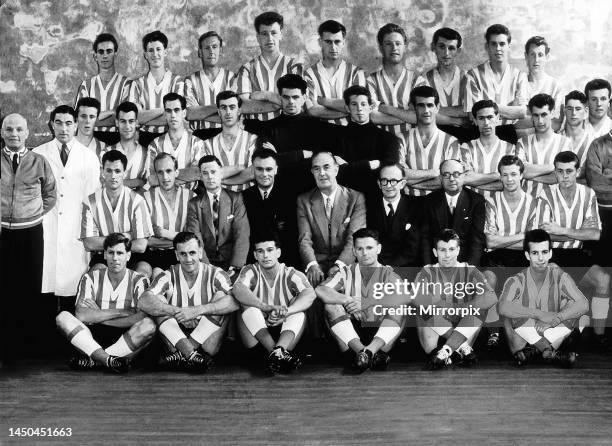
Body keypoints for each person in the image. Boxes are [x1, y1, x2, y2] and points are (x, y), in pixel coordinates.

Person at [138, 231, 239, 372]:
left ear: (200, 252)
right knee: (157, 300)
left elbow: (235, 301)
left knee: (222, 297)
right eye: (183, 254)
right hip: (176, 335)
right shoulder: (168, 275)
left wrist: (197, 310)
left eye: (192, 253)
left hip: (207, 339)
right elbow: (143, 301)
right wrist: (175, 311)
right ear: (176, 255)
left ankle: (184, 354)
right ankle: (191, 355)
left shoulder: (216, 273)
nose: (188, 259)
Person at [55, 233, 156, 373]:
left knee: (149, 325)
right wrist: (121, 311)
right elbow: (81, 315)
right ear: (104, 255)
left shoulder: (139, 280)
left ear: (128, 256)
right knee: (63, 317)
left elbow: (140, 317)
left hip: (125, 336)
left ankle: (98, 360)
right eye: (111, 253)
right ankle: (109, 360)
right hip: (93, 336)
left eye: (120, 253)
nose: (115, 258)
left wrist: (98, 315)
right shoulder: (90, 278)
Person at [34, 105, 101, 312]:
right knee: (44, 287)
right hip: (46, 228)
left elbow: (93, 201)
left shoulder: (88, 157)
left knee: (73, 292)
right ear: (51, 125)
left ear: (76, 125)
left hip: (76, 232)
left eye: (69, 123)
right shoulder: (38, 154)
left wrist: (89, 234)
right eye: (59, 123)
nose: (64, 128)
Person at [541, 151, 610, 348]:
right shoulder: (546, 194)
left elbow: (595, 234)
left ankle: (598, 335)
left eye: (569, 171)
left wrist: (562, 230)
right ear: (555, 172)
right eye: (560, 171)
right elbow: (546, 236)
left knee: (603, 279)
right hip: (553, 255)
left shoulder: (588, 194)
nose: (565, 176)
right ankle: (564, 332)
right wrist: (580, 231)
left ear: (577, 171)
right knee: (562, 282)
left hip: (577, 253)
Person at [1, 113, 56, 360]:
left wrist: (31, 214)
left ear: (27, 133)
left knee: (29, 285)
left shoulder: (38, 161)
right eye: (9, 129)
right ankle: (6, 345)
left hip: (32, 233)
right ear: (2, 133)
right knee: (5, 287)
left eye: (19, 129)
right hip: (2, 233)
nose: (14, 134)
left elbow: (51, 195)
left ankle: (28, 348)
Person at [316, 228, 405, 372]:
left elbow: (404, 297)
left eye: (369, 247)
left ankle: (368, 352)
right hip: (352, 332)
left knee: (400, 308)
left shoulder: (388, 273)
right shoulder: (345, 272)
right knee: (330, 306)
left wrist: (366, 304)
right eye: (360, 248)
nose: (365, 253)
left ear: (378, 248)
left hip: (379, 333)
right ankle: (363, 353)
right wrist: (348, 300)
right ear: (354, 251)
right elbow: (320, 290)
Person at [498, 229, 589, 367]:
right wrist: (541, 315)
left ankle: (538, 352)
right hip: (524, 337)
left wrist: (555, 318)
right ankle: (550, 352)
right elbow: (502, 307)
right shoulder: (515, 280)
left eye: (544, 252)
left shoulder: (560, 277)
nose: (541, 258)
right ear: (527, 255)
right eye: (535, 253)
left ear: (550, 253)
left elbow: (583, 304)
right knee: (510, 308)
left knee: (575, 307)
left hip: (549, 331)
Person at [233, 231, 315, 373]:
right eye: (260, 251)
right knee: (244, 301)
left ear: (278, 252)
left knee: (298, 302)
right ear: (255, 255)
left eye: (270, 250)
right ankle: (276, 352)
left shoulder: (291, 273)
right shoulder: (250, 271)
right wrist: (265, 307)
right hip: (256, 338)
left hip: (286, 336)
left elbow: (310, 294)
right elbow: (238, 288)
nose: (265, 255)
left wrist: (287, 311)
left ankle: (278, 351)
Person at [414, 229, 497, 369]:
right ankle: (458, 347)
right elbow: (417, 300)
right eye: (442, 250)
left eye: (451, 249)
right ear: (435, 252)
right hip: (437, 324)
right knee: (422, 307)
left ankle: (445, 351)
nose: (447, 255)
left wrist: (462, 307)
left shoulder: (469, 270)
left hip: (463, 322)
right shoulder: (427, 271)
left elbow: (491, 297)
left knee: (480, 306)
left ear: (458, 250)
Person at [296, 151, 366, 287]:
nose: (321, 173)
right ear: (312, 172)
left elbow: (355, 238)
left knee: (329, 296)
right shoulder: (303, 200)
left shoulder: (356, 198)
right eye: (316, 168)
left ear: (336, 169)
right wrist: (312, 265)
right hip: (317, 266)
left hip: (345, 264)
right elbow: (304, 239)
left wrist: (339, 265)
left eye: (326, 167)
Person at [80, 150, 153, 275]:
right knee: (97, 274)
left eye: (117, 171)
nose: (113, 176)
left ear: (124, 173)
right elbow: (89, 244)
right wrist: (127, 236)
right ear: (102, 172)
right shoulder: (90, 202)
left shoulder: (137, 201)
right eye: (109, 171)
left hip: (134, 256)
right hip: (104, 256)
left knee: (143, 273)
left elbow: (141, 246)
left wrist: (106, 240)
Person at [185, 155, 250, 274]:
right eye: (205, 173)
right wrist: (206, 268)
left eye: (213, 172)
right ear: (200, 176)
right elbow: (195, 239)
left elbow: (242, 234)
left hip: (231, 263)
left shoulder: (235, 199)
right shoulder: (194, 204)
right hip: (206, 263)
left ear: (221, 173)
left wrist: (235, 266)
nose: (210, 177)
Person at [484, 155, 551, 267]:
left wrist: (499, 242)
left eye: (513, 174)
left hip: (525, 258)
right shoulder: (491, 201)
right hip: (496, 259)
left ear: (521, 175)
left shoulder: (534, 203)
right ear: (500, 177)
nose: (509, 179)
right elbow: (489, 242)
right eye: (505, 175)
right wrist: (524, 235)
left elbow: (534, 245)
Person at [333, 85, 401, 194]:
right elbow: (336, 173)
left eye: (363, 104)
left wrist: (349, 168)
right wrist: (369, 165)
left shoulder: (388, 139)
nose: (359, 109)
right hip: (347, 198)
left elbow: (389, 174)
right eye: (354, 104)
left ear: (370, 107)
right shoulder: (337, 138)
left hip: (376, 198)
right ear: (347, 108)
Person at [236, 11, 301, 121]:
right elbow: (243, 106)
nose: (270, 38)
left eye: (274, 33)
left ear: (281, 34)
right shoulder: (247, 69)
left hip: (288, 127)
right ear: (258, 37)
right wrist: (272, 97)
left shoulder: (294, 66)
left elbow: (298, 102)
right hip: (256, 130)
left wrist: (260, 95)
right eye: (264, 34)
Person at [367, 23, 427, 139]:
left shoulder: (417, 81)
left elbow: (421, 116)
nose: (394, 48)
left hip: (413, 145)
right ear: (381, 48)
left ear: (405, 47)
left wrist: (386, 108)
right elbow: (373, 117)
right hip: (381, 145)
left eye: (398, 44)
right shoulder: (371, 81)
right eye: (388, 44)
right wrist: (407, 115)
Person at [421, 159, 486, 267]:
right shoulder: (429, 201)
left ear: (463, 176)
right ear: (440, 178)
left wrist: (469, 269)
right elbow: (425, 239)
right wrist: (428, 268)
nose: (451, 179)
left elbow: (477, 241)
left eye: (456, 174)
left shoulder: (476, 201)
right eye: (446, 175)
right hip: (436, 263)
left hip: (464, 263)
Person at [242, 148, 300, 267]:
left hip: (286, 261)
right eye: (259, 169)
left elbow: (292, 236)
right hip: (254, 261)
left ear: (276, 170)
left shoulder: (290, 196)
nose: (264, 174)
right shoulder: (244, 197)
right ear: (253, 170)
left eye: (269, 169)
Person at [304, 20, 366, 125]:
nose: (333, 47)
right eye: (328, 42)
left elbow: (359, 107)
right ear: (320, 42)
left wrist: (324, 101)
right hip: (321, 133)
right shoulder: (309, 74)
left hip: (351, 133)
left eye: (337, 41)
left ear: (343, 43)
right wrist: (349, 110)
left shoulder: (356, 72)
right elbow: (312, 110)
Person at [143, 153, 195, 279]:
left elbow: (194, 238)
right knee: (156, 275)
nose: (165, 177)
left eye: (169, 171)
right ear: (155, 174)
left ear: (176, 172)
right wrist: (181, 239)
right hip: (155, 256)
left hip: (184, 256)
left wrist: (163, 233)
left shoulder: (191, 197)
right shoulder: (146, 198)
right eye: (160, 172)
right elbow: (146, 241)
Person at [402, 85, 461, 196]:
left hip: (440, 205)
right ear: (413, 107)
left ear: (437, 107)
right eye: (420, 105)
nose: (426, 110)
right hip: (409, 203)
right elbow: (398, 175)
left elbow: (449, 181)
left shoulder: (451, 141)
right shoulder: (402, 139)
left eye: (430, 105)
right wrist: (434, 173)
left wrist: (408, 181)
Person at [464, 24, 528, 126]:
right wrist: (511, 107)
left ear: (509, 46)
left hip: (508, 131)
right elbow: (472, 114)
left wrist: (484, 108)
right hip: (481, 132)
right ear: (487, 47)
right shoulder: (473, 75)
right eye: (494, 44)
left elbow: (522, 112)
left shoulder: (520, 76)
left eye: (502, 44)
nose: (498, 48)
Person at [128, 30, 184, 145]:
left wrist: (146, 115)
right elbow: (136, 118)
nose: (155, 54)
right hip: (145, 139)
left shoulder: (176, 81)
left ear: (165, 52)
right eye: (150, 50)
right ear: (145, 55)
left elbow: (179, 116)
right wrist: (164, 111)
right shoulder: (137, 84)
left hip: (170, 137)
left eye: (158, 49)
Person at [74, 32, 130, 144]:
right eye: (101, 52)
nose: (105, 56)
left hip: (119, 141)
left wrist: (94, 119)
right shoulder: (86, 86)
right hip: (90, 141)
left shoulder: (127, 84)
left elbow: (126, 119)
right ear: (95, 56)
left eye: (109, 51)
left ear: (115, 54)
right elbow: (80, 120)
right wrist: (112, 112)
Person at [366, 163, 423, 267]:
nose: (388, 186)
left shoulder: (417, 207)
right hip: (375, 268)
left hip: (405, 269)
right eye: (384, 181)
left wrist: (389, 268)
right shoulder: (369, 207)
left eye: (394, 181)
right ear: (379, 183)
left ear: (402, 183)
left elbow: (413, 248)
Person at [516, 94, 571, 198]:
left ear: (552, 113)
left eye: (544, 115)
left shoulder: (565, 143)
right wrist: (553, 167)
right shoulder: (522, 142)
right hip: (528, 206)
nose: (540, 121)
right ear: (531, 116)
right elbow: (519, 172)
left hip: (555, 204)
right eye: (536, 115)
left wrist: (527, 175)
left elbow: (561, 177)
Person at [460, 100, 516, 201]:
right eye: (481, 118)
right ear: (475, 121)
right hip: (473, 206)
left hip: (501, 205)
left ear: (498, 118)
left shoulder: (510, 148)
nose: (486, 123)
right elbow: (465, 178)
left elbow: (510, 183)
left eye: (490, 117)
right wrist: (496, 175)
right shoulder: (466, 147)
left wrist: (475, 183)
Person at [147, 93, 204, 189]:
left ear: (184, 113)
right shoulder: (155, 144)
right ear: (165, 114)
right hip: (162, 198)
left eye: (176, 110)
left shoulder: (196, 142)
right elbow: (152, 179)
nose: (173, 115)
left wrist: (163, 177)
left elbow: (196, 173)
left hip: (190, 198)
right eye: (169, 111)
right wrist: (186, 174)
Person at [202, 91, 256, 192]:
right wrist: (239, 168)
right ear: (218, 112)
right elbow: (208, 175)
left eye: (232, 107)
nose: (228, 112)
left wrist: (222, 179)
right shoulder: (208, 144)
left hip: (247, 198)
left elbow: (252, 173)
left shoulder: (252, 139)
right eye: (223, 108)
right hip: (219, 200)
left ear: (239, 111)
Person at [183, 31, 236, 130]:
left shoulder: (232, 78)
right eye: (207, 48)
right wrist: (223, 109)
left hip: (227, 135)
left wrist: (202, 113)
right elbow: (191, 114)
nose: (211, 51)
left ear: (221, 50)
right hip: (200, 136)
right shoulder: (190, 81)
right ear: (200, 52)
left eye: (215, 47)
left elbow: (236, 114)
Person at [422, 27, 469, 124]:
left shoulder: (468, 77)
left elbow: (470, 111)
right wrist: (458, 118)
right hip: (435, 133)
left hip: (465, 134)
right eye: (441, 47)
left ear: (458, 51)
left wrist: (436, 110)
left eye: (451, 48)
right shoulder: (424, 78)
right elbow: (422, 113)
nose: (446, 53)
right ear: (433, 47)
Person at [102, 101, 151, 192]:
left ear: (136, 123)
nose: (127, 126)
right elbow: (103, 184)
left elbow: (148, 185)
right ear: (117, 123)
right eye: (123, 121)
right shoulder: (105, 152)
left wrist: (117, 183)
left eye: (131, 121)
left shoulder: (147, 153)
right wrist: (137, 182)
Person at [585, 120, 612, 269]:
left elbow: (604, 180)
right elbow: (595, 182)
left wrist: (607, 172)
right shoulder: (597, 145)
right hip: (605, 213)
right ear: (610, 111)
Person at [522, 36, 563, 124]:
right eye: (532, 55)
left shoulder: (555, 85)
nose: (536, 60)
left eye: (540, 55)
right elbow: (514, 118)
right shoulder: (518, 83)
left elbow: (556, 120)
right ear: (526, 57)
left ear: (547, 57)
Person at [559, 91, 592, 178]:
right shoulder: (555, 139)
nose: (573, 113)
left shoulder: (593, 141)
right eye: (570, 108)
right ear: (564, 110)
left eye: (578, 109)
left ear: (586, 112)